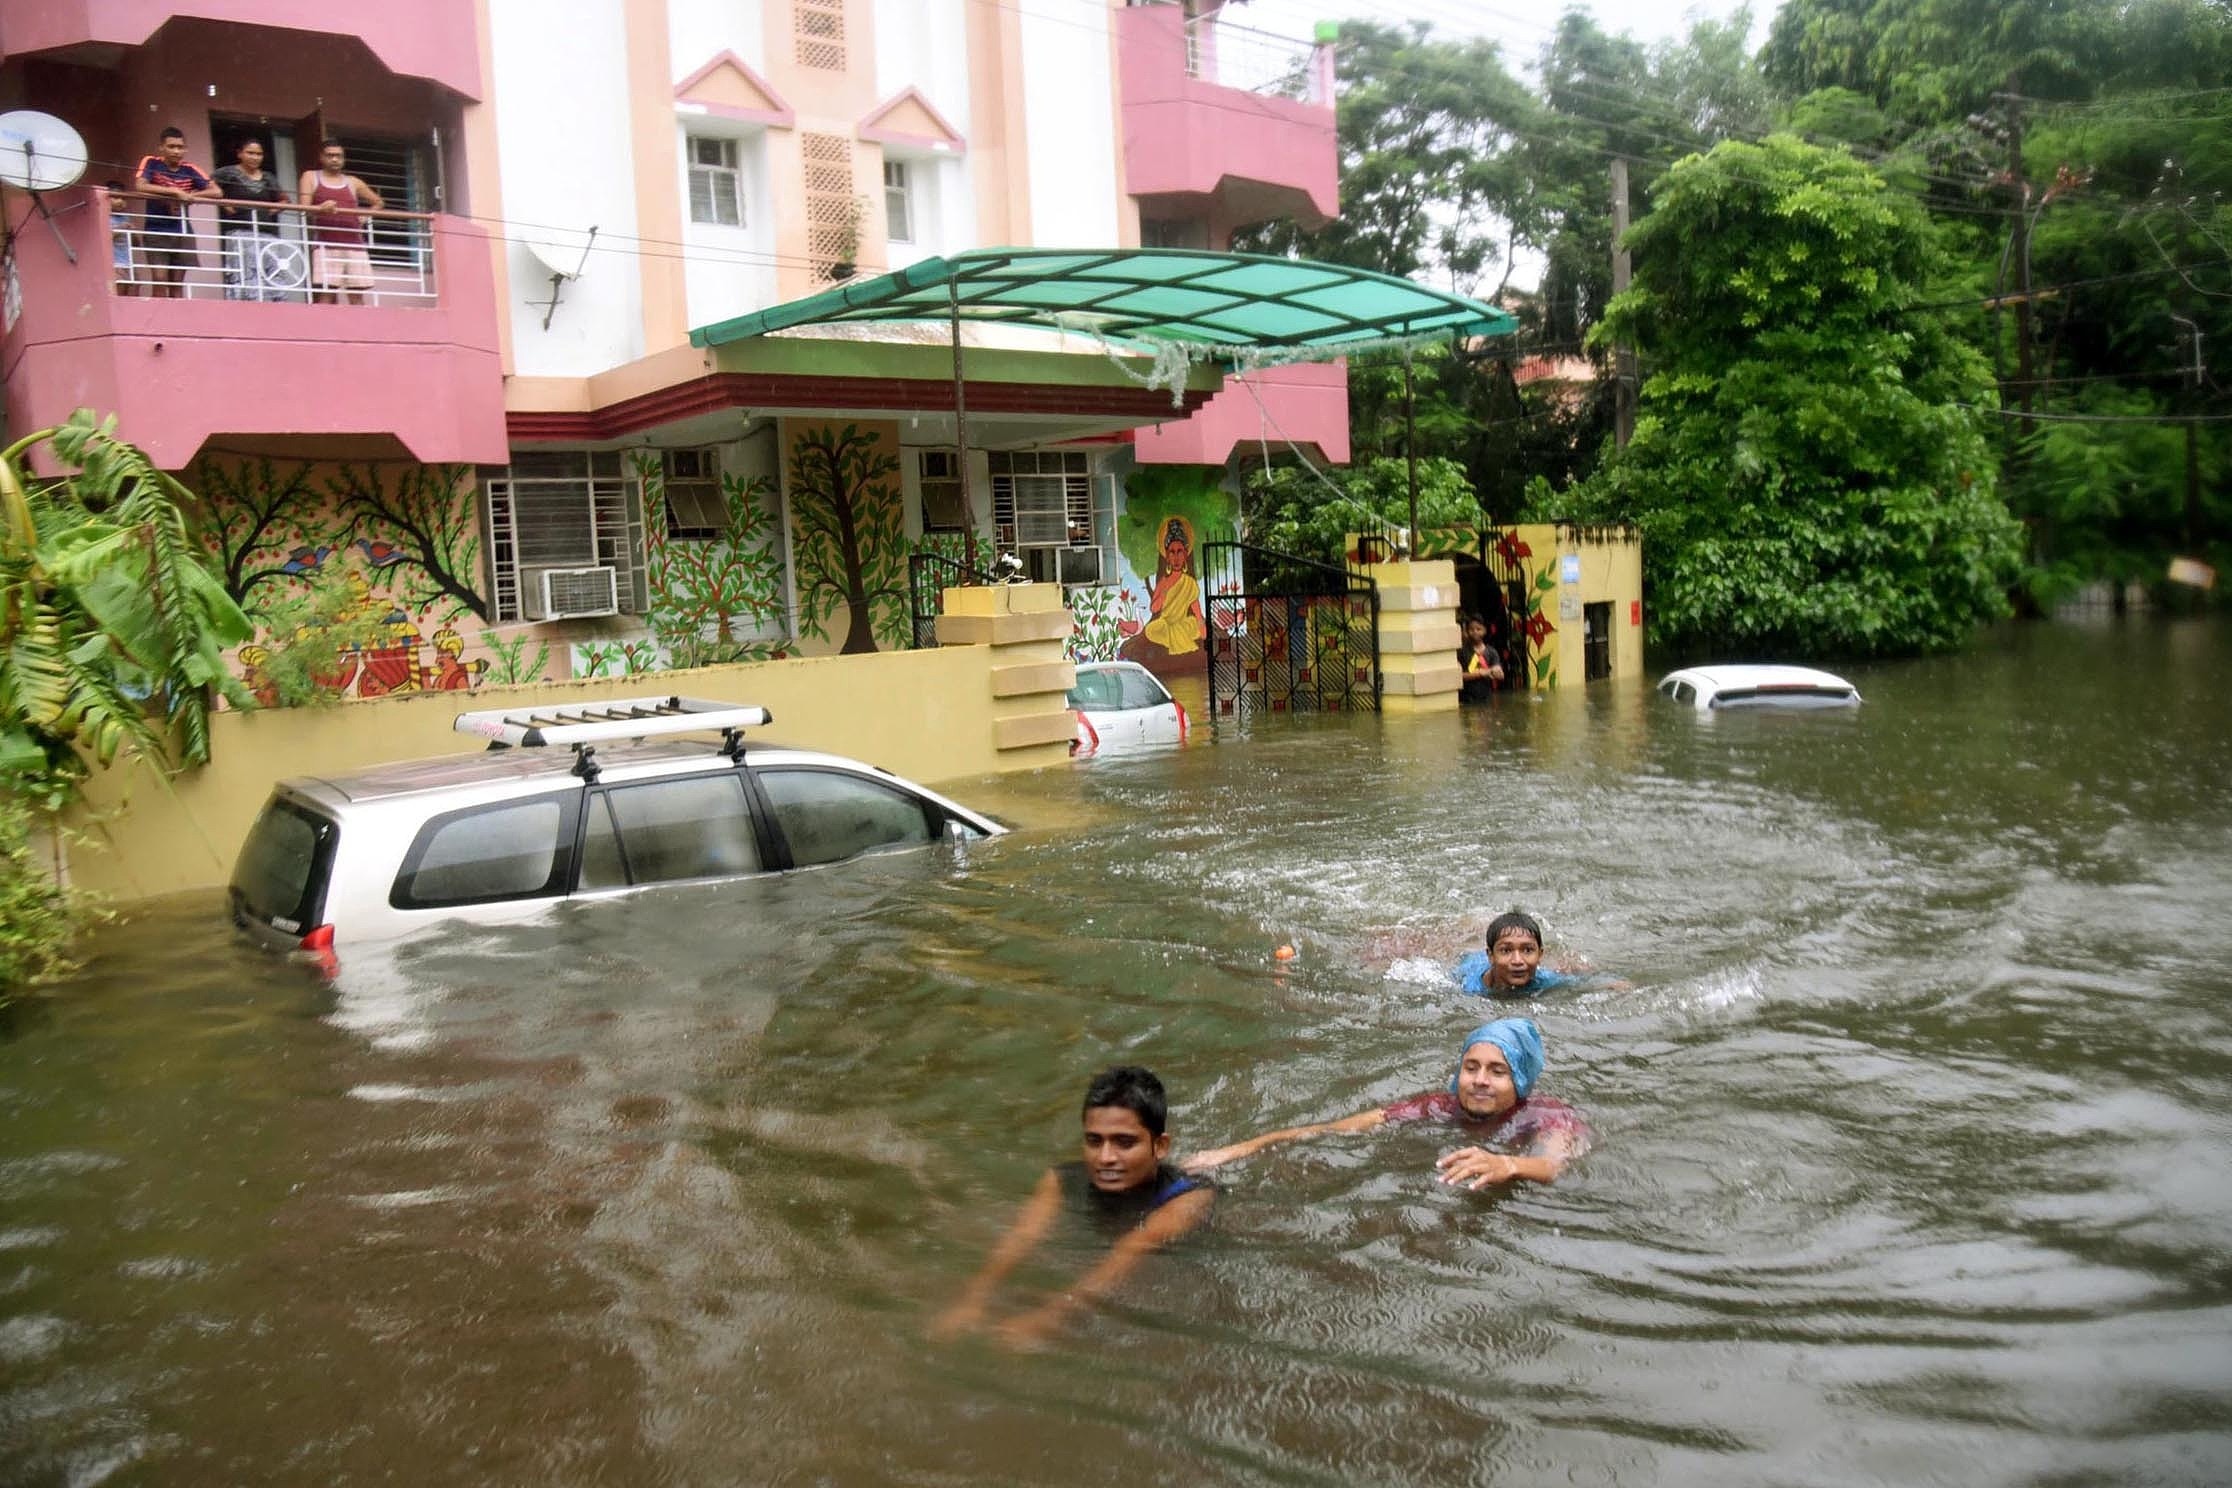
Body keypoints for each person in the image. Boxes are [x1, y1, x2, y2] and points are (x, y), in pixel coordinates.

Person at [933, 1066, 1215, 1349]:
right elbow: (1022, 1236)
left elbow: (1132, 1249)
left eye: (1124, 1142)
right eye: (1094, 1141)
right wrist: (972, 1299)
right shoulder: (1062, 1180)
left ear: (1160, 1146)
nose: (1105, 1157)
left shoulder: (1190, 1195)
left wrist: (1048, 1318)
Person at [1184, 1018, 1588, 1190]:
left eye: (1497, 1071)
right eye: (1471, 1067)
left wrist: (1507, 1165)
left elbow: (1553, 1166)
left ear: (1521, 1080)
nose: (1480, 1080)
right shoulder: (1439, 1107)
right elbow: (1332, 1129)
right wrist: (1235, 1151)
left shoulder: (1548, 1115)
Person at [134, 127, 219, 299]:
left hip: (182, 231)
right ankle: (158, 317)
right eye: (171, 146)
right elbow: (140, 186)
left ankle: (175, 317)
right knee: (159, 280)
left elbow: (217, 192)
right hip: (156, 230)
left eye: (180, 147)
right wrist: (174, 192)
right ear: (161, 148)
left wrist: (190, 196)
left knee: (177, 285)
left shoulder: (190, 169)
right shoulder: (151, 162)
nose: (176, 151)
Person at [299, 140, 383, 305]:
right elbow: (303, 208)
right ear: (321, 157)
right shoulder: (310, 176)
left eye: (339, 156)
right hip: (325, 244)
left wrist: (365, 215)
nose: (335, 159)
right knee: (326, 293)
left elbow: (378, 202)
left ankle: (360, 324)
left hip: (354, 244)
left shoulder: (353, 181)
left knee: (356, 295)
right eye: (330, 155)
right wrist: (320, 208)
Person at [212, 139, 291, 302]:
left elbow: (284, 200)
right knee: (245, 275)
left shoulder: (268, 177)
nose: (255, 157)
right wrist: (223, 203)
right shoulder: (228, 173)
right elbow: (207, 186)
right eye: (250, 153)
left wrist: (269, 211)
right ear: (239, 154)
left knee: (273, 273)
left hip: (266, 233)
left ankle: (276, 309)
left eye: (259, 154)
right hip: (240, 232)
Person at [1453, 910, 1590, 997]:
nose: (1518, 961)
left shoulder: (1546, 980)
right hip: (1471, 958)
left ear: (1540, 955)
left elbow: (1587, 982)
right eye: (1506, 951)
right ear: (1491, 956)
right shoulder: (1470, 988)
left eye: (1528, 950)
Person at [1457, 613, 1505, 703]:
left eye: (1478, 629)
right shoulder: (1461, 652)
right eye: (1471, 629)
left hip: (1487, 699)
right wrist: (1481, 673)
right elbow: (1459, 676)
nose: (1475, 632)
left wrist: (1494, 671)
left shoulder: (1491, 652)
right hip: (1466, 700)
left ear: (1485, 631)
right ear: (1467, 631)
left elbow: (1500, 675)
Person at [106, 180, 135, 296]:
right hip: (115, 262)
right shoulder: (104, 217)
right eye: (116, 197)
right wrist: (120, 228)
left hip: (128, 261)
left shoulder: (125, 217)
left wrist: (133, 233)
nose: (120, 201)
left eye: (123, 198)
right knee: (120, 290)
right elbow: (104, 239)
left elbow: (136, 244)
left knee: (134, 288)